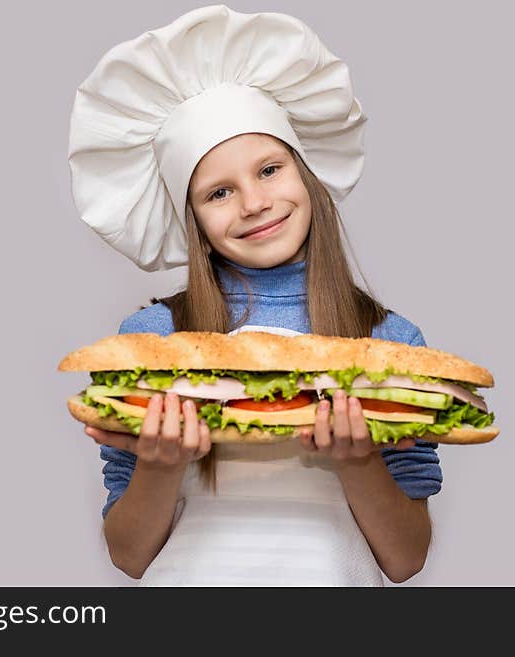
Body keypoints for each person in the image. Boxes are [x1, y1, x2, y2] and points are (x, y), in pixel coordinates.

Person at [67, 5, 442, 586]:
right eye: (219, 191)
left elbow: (405, 559)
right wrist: (162, 467)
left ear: (307, 173)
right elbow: (129, 555)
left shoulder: (388, 344)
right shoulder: (153, 342)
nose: (254, 203)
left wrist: (358, 458)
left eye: (269, 170)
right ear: (191, 219)